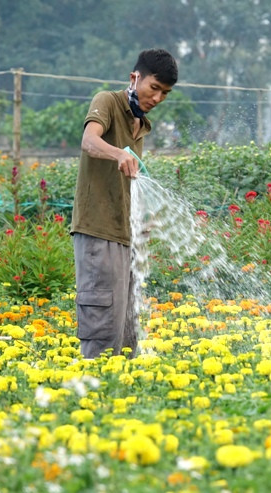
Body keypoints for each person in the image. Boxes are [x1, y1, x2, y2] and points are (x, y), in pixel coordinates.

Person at [70, 48, 178, 358]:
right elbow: (89, 141)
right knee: (102, 332)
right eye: (153, 87)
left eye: (165, 93)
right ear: (135, 78)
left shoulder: (141, 125)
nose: (157, 98)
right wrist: (119, 153)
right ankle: (92, 395)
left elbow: (128, 182)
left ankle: (122, 397)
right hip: (98, 233)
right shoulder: (107, 101)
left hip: (125, 237)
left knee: (128, 332)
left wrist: (143, 220)